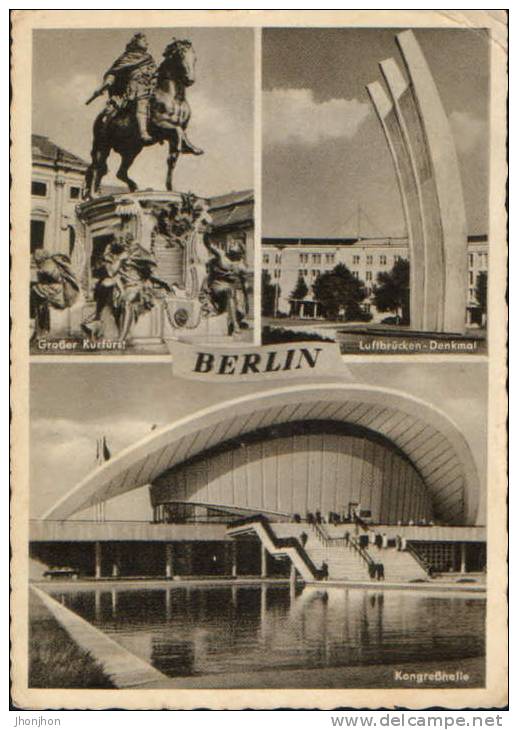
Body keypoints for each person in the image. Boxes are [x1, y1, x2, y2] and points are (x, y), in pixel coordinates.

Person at [88, 32, 157, 144]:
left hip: (149, 88)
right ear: (135, 42)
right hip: (131, 91)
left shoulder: (149, 58)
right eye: (143, 40)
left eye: (146, 40)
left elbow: (155, 73)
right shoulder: (126, 58)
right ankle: (143, 132)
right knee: (140, 103)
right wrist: (107, 84)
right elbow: (113, 73)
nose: (147, 42)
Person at [30, 249, 80, 341]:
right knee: (39, 303)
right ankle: (40, 330)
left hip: (57, 290)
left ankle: (40, 330)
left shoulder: (48, 264)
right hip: (51, 289)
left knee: (35, 292)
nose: (34, 260)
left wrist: (42, 273)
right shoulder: (46, 263)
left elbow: (57, 278)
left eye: (35, 258)